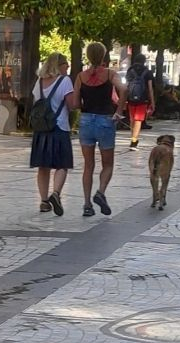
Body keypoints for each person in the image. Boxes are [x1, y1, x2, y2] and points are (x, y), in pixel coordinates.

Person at [73, 42, 126, 217]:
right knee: (108, 164)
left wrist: (82, 107)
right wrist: (119, 110)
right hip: (105, 120)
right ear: (103, 56)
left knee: (88, 165)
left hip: (87, 120)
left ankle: (87, 204)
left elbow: (74, 103)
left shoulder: (81, 77)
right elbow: (124, 89)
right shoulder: (110, 74)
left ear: (87, 56)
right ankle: (101, 192)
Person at [30, 53, 74, 216]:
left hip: (42, 129)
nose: (67, 67)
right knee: (62, 164)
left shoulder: (39, 82)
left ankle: (43, 201)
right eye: (66, 64)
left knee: (43, 166)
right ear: (59, 65)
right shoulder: (65, 81)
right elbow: (71, 105)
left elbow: (36, 102)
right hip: (60, 127)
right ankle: (55, 193)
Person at [124, 53, 155, 150]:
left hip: (131, 98)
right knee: (138, 120)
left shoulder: (130, 70)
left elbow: (126, 86)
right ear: (144, 61)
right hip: (143, 99)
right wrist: (152, 102)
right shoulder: (147, 72)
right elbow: (150, 88)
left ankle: (132, 138)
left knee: (132, 119)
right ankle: (134, 141)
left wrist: (124, 99)